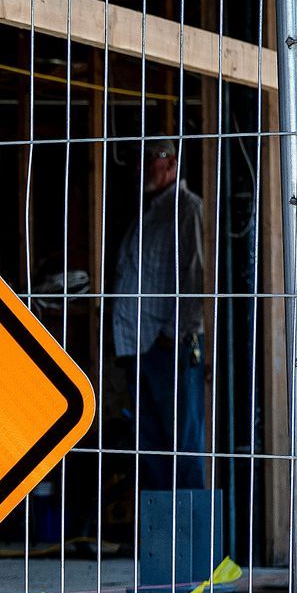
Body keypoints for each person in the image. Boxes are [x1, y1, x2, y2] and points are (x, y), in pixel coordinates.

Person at [111, 139, 207, 490]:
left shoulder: (188, 209)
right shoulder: (149, 212)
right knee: (149, 450)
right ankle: (158, 541)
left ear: (172, 162)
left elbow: (198, 278)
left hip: (170, 347)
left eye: (151, 158)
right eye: (141, 159)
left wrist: (173, 333)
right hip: (140, 346)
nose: (143, 167)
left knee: (184, 446)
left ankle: (190, 540)